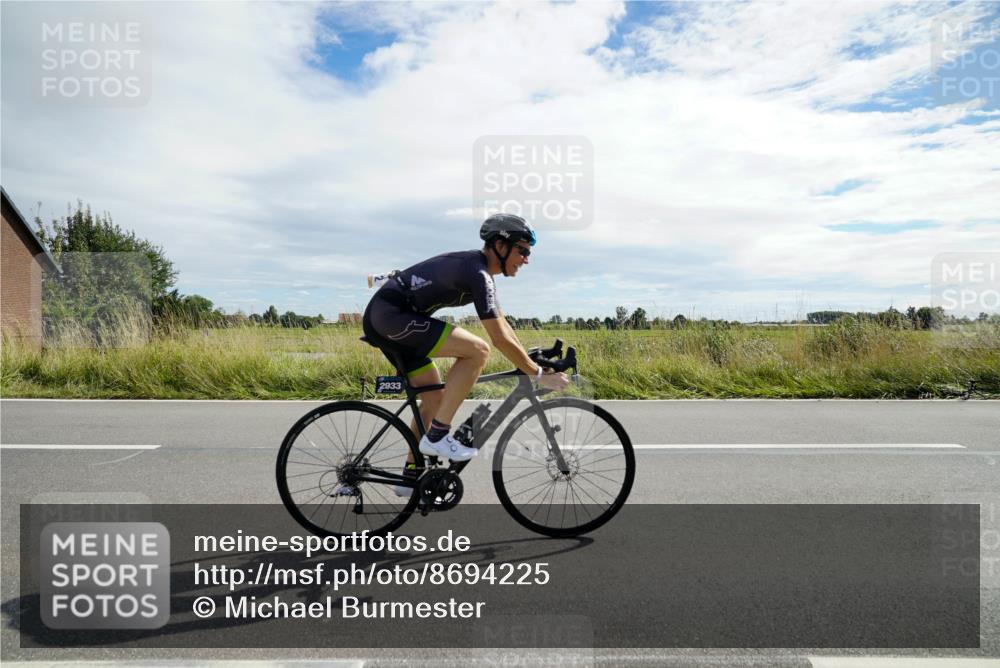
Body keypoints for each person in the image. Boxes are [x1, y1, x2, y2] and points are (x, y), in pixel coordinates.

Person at [354, 213, 570, 496]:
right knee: (478, 350)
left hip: (391, 320)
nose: (526, 259)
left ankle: (410, 476)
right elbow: (497, 339)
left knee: (435, 398)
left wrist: (532, 360)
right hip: (391, 317)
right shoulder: (477, 273)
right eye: (523, 250)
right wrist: (537, 374)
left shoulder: (481, 274)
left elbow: (503, 326)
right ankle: (438, 435)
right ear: (500, 246)